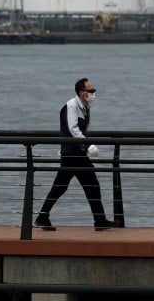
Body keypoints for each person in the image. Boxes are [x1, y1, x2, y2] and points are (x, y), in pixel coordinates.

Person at [35, 77, 115, 231]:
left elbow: (81, 130)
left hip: (75, 153)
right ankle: (99, 221)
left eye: (94, 90)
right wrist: (87, 145)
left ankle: (43, 217)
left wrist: (85, 145)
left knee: (63, 186)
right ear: (82, 93)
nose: (94, 93)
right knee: (87, 184)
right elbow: (73, 129)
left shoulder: (84, 106)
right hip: (72, 154)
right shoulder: (71, 106)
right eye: (91, 91)